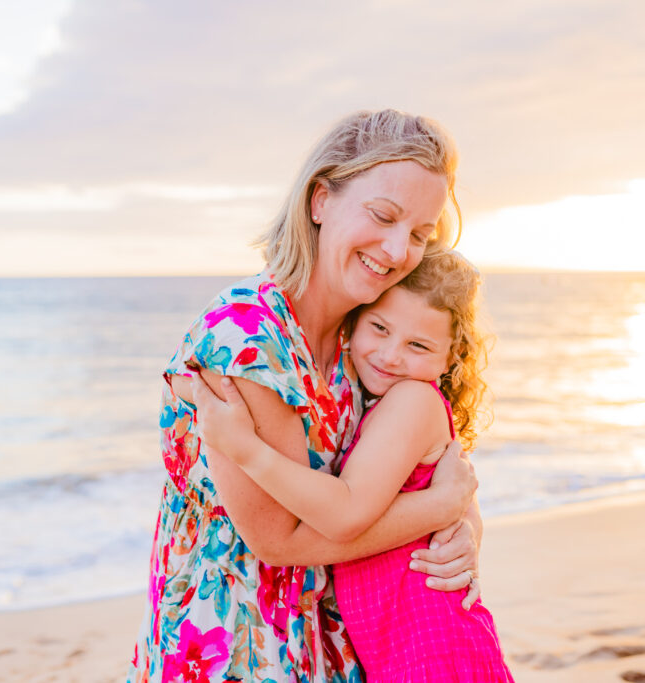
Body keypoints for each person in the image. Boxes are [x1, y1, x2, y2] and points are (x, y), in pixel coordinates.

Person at [127, 110, 482, 683]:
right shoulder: (243, 335)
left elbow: (420, 464)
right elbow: (279, 539)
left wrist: (465, 524)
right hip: (235, 651)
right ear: (320, 201)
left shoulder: (365, 340)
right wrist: (441, 509)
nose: (396, 251)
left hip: (339, 650)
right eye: (383, 216)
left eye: (419, 235)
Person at [194, 249, 514, 682]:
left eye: (418, 345)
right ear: (355, 322)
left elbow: (344, 511)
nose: (390, 355)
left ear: (450, 359)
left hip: (431, 645)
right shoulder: (385, 399)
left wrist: (246, 450)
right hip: (400, 648)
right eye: (379, 328)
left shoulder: (412, 401)